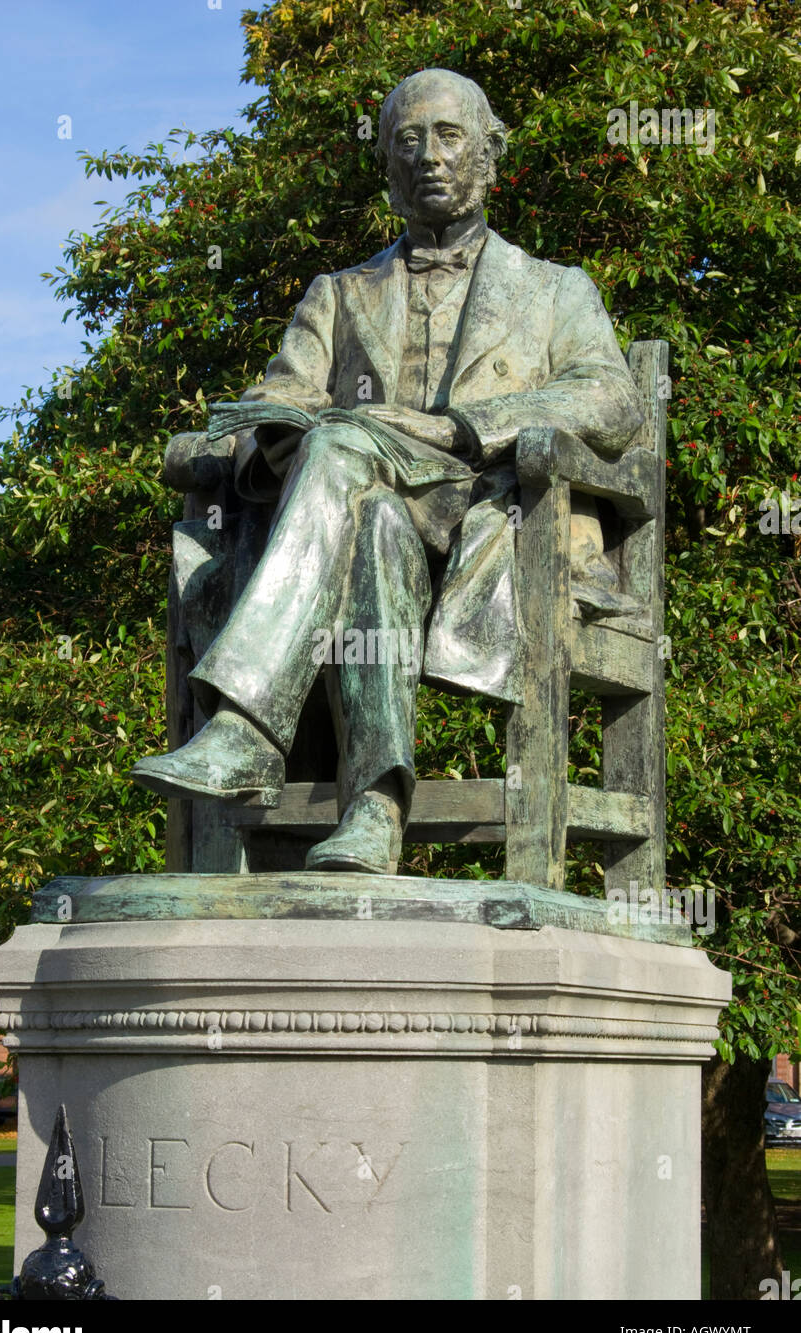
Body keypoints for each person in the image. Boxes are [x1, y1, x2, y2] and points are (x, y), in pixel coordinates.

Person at [131, 69, 643, 874]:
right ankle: (374, 807)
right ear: (386, 165)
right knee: (360, 494)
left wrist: (459, 427)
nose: (429, 156)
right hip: (364, 523)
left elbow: (612, 400)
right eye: (407, 140)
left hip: (492, 518)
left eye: (448, 137)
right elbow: (276, 395)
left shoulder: (553, 291)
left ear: (490, 156)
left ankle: (246, 727)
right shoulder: (338, 294)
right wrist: (279, 429)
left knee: (342, 450)